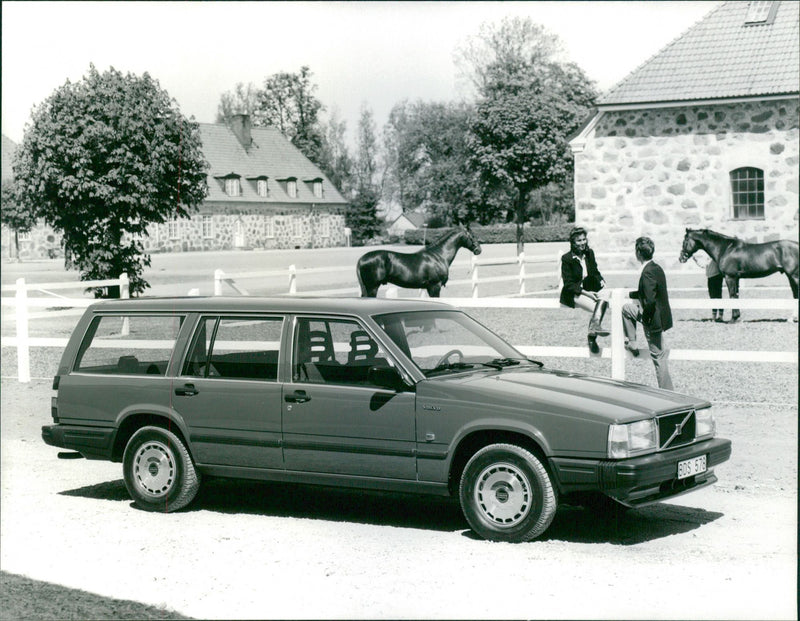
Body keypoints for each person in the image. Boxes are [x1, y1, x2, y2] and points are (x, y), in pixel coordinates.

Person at [622, 236, 674, 391]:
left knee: (658, 357)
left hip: (652, 319)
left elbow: (650, 301)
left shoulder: (646, 273)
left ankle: (667, 392)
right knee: (626, 309)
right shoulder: (656, 268)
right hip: (661, 317)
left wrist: (645, 319)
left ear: (638, 253)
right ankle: (632, 342)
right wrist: (630, 295)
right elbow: (650, 291)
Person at [560, 226, 609, 354]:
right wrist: (588, 294)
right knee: (596, 308)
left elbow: (595, 271)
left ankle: (593, 332)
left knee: (606, 295)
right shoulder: (566, 259)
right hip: (575, 292)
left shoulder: (589, 253)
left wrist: (601, 280)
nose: (583, 243)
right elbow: (568, 284)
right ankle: (592, 336)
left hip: (590, 287)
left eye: (584, 239)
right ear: (573, 243)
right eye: (579, 241)